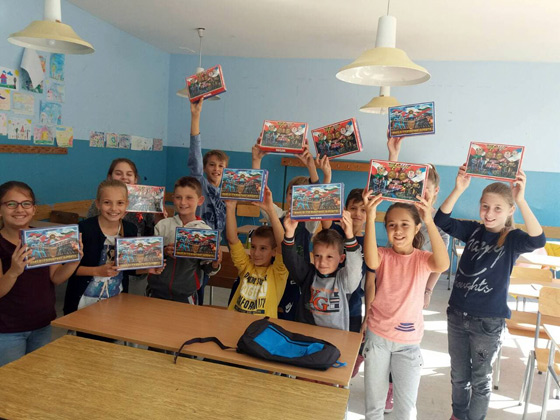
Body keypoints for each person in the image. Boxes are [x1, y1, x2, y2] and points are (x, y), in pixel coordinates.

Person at [434, 167, 545, 420]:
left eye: (497, 208)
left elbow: (538, 241)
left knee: (480, 379)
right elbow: (442, 221)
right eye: (485, 207)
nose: (489, 213)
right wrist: (458, 189)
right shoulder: (473, 230)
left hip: (488, 321)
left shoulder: (513, 238)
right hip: (457, 315)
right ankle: (458, 415)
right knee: (458, 376)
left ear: (509, 211)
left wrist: (521, 200)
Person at [362, 190, 450, 420]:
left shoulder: (423, 259)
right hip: (378, 339)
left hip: (408, 343)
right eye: (391, 225)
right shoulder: (382, 255)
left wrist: (429, 220)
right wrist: (370, 216)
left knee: (406, 409)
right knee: (374, 406)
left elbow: (443, 264)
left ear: (417, 228)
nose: (398, 230)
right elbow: (370, 260)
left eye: (404, 224)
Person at [0, 181, 83, 366]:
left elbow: (56, 278)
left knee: (37, 375)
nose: (19, 209)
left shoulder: (42, 238)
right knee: (11, 378)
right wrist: (13, 272)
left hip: (42, 324)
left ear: (34, 209)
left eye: (26, 203)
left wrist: (74, 261)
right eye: (11, 204)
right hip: (7, 330)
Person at [252, 143, 332, 320]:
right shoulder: (278, 214)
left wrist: (315, 169)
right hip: (276, 271)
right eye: (291, 193)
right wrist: (256, 161)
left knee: (292, 315)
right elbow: (259, 194)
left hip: (297, 275)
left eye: (300, 194)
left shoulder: (309, 221)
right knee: (273, 310)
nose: (295, 198)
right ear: (286, 196)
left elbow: (320, 197)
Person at [63, 180, 163, 316]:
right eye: (107, 202)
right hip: (83, 303)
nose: (114, 208)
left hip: (116, 300)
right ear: (98, 204)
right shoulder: (83, 229)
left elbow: (128, 267)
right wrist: (97, 271)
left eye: (120, 203)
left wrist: (148, 269)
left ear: (127, 204)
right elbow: (67, 269)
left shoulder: (130, 229)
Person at [282, 210, 362, 331]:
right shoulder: (308, 275)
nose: (322, 262)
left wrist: (350, 235)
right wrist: (289, 233)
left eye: (329, 257)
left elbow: (355, 266)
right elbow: (291, 260)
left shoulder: (343, 280)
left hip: (334, 338)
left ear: (341, 258)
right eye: (317, 256)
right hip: (306, 335)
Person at [147, 176, 222, 304]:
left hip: (186, 295)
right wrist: (164, 251)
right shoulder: (163, 225)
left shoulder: (205, 232)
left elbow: (208, 269)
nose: (183, 202)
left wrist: (215, 263)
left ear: (200, 200)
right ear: (173, 199)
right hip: (155, 291)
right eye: (178, 197)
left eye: (189, 197)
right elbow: (149, 258)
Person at [188, 98, 229, 304]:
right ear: (205, 168)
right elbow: (195, 155)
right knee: (194, 289)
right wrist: (196, 116)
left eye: (220, 166)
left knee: (202, 287)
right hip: (195, 244)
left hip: (213, 250)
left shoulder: (228, 191)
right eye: (212, 165)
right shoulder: (200, 183)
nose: (216, 169)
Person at [225, 186, 288, 318]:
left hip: (262, 327)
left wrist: (270, 210)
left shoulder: (278, 272)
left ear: (274, 251)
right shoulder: (246, 266)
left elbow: (283, 245)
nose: (256, 253)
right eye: (253, 247)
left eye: (263, 248)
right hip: (234, 323)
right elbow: (232, 239)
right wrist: (230, 207)